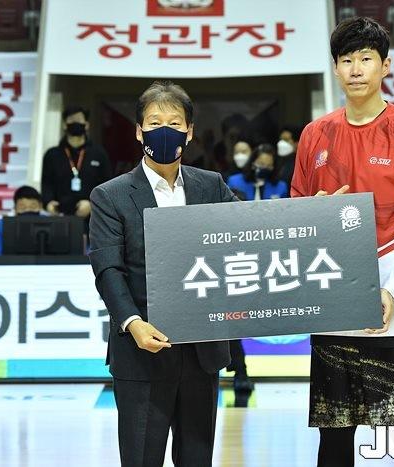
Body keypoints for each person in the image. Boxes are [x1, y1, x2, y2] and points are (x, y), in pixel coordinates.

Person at [291, 17, 394, 467]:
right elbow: (294, 220)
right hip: (335, 306)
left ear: (385, 66)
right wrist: (315, 214)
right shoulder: (314, 135)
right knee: (335, 443)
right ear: (335, 69)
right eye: (347, 60)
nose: (356, 69)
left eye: (366, 59)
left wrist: (393, 293)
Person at [88, 80, 236, 467]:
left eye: (174, 122)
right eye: (155, 123)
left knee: (197, 459)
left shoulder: (211, 186)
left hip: (201, 352)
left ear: (190, 131)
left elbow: (253, 231)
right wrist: (132, 322)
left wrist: (311, 214)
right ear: (139, 132)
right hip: (141, 351)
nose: (164, 131)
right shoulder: (110, 195)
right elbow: (107, 268)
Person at [41, 105, 113, 218]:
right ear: (64, 125)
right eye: (71, 120)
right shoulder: (52, 155)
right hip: (59, 216)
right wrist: (48, 203)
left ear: (86, 124)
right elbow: (46, 184)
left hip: (92, 217)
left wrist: (93, 204)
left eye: (79, 120)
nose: (75, 123)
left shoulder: (99, 153)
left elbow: (108, 185)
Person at [0, 185, 46, 255]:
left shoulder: (49, 221)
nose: (27, 210)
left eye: (33, 207)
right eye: (22, 207)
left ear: (40, 206)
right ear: (15, 209)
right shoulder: (4, 224)